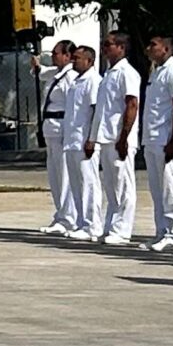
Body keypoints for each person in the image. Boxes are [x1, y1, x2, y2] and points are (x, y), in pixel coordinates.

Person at [89, 31, 142, 246]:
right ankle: (111, 225)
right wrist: (93, 138)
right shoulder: (108, 74)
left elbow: (131, 105)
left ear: (121, 47)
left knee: (123, 185)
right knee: (111, 186)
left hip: (120, 137)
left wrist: (124, 136)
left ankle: (122, 229)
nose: (105, 48)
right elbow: (102, 110)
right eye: (104, 44)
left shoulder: (126, 72)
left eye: (108, 44)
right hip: (106, 136)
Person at [141, 33, 173, 253]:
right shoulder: (156, 72)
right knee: (157, 189)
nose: (149, 49)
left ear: (167, 50)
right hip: (152, 138)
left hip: (166, 139)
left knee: (171, 188)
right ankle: (161, 231)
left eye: (154, 45)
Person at [39, 39, 84, 237]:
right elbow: (41, 72)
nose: (54, 57)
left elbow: (72, 107)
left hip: (62, 128)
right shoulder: (56, 74)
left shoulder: (70, 77)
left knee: (64, 176)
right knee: (55, 176)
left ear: (67, 56)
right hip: (51, 129)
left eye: (57, 53)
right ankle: (60, 214)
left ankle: (68, 218)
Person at [67, 43, 103, 238]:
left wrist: (92, 138)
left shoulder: (93, 81)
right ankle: (81, 222)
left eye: (78, 58)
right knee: (76, 184)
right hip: (71, 140)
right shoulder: (76, 81)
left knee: (89, 184)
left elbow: (96, 111)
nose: (74, 60)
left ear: (89, 61)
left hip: (85, 140)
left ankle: (92, 225)